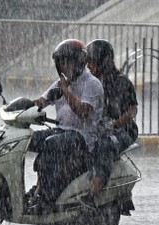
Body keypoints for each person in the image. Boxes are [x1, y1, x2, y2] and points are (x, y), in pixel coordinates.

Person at [27, 39, 104, 214]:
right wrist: (20, 107)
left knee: (51, 144)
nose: (64, 65)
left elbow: (83, 112)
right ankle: (35, 190)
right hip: (62, 131)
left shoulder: (92, 84)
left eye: (68, 61)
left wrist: (66, 91)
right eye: (61, 62)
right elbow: (41, 101)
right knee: (27, 140)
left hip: (84, 137)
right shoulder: (61, 83)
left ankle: (48, 199)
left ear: (79, 61)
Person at [80, 39, 138, 208]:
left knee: (104, 146)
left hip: (123, 130)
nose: (88, 66)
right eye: (87, 62)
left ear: (102, 61)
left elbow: (132, 110)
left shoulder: (122, 82)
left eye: (92, 61)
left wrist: (114, 124)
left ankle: (94, 193)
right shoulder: (90, 82)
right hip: (99, 129)